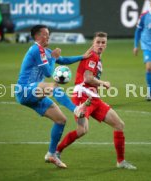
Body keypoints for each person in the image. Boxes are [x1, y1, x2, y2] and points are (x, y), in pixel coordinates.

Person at [56, 32, 137, 170]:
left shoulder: (95, 56)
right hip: (82, 96)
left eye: (103, 42)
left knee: (119, 124)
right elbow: (88, 78)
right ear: (93, 43)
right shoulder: (92, 56)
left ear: (106, 45)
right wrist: (103, 83)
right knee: (82, 130)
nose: (100, 45)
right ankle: (56, 152)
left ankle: (121, 161)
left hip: (93, 97)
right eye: (98, 42)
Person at [15, 25, 91, 168]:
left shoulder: (45, 51)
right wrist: (53, 58)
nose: (48, 37)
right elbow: (50, 72)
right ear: (37, 37)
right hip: (24, 90)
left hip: (35, 92)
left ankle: (51, 154)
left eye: (48, 34)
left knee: (61, 120)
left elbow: (63, 60)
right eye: (44, 34)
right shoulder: (36, 49)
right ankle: (75, 109)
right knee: (53, 85)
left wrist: (82, 57)